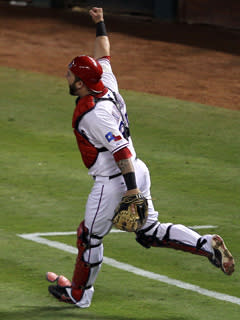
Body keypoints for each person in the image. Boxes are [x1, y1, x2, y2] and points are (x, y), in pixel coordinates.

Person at [47, 7, 235, 308]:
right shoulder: (104, 82)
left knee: (88, 236)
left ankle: (79, 295)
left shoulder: (94, 116)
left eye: (70, 75)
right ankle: (204, 244)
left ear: (81, 84)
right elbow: (104, 53)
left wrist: (131, 190)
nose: (65, 77)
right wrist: (100, 23)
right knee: (149, 233)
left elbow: (119, 150)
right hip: (138, 168)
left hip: (116, 181)